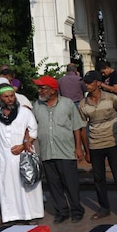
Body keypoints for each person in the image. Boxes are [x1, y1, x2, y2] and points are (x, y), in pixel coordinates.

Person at [0, 80, 43, 224]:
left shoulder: (24, 112)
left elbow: (33, 131)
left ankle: (31, 215)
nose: (10, 99)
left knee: (27, 187)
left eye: (12, 96)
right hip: (4, 157)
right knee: (8, 187)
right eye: (6, 96)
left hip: (23, 154)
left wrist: (23, 145)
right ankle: (12, 216)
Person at [79, 70, 117, 221]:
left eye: (90, 82)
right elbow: (83, 129)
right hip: (95, 145)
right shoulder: (83, 104)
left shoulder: (111, 98)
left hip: (112, 143)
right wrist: (86, 150)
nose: (87, 85)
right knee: (99, 178)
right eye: (86, 82)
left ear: (98, 83)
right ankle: (104, 208)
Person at [32, 75, 85, 223]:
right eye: (39, 88)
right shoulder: (37, 105)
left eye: (43, 88)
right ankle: (61, 211)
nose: (40, 90)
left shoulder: (67, 104)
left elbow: (76, 127)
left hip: (66, 152)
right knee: (54, 184)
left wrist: (78, 148)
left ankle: (76, 210)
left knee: (71, 184)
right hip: (47, 151)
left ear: (53, 90)